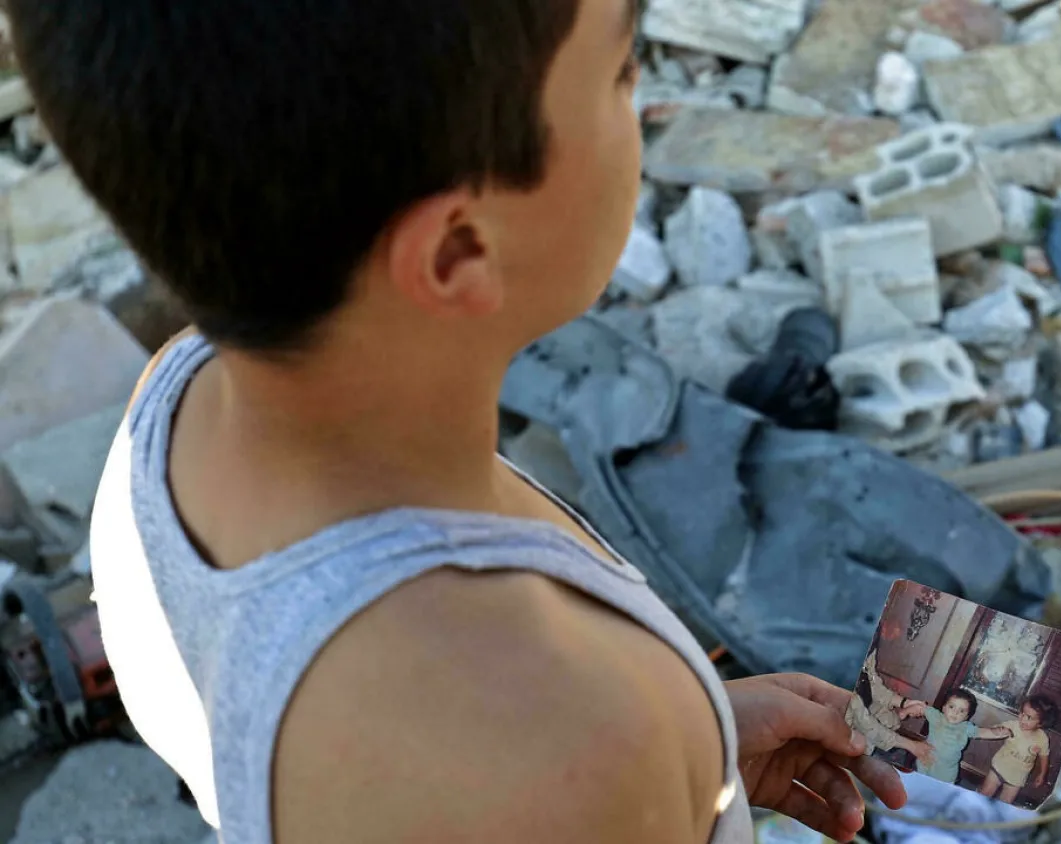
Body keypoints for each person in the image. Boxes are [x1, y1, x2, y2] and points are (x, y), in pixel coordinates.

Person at [5, 1, 908, 842]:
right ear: (461, 250)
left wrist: (686, 739)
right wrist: (624, 760)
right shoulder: (547, 755)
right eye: (622, 71)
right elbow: (511, 766)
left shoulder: (175, 394)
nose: (646, 100)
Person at [896, 690, 1012, 785]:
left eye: (961, 711)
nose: (955, 713)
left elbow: (982, 732)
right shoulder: (936, 717)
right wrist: (905, 711)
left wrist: (998, 732)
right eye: (952, 707)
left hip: (947, 771)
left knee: (940, 795)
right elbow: (920, 708)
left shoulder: (966, 727)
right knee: (917, 785)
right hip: (925, 761)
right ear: (944, 708)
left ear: (967, 716)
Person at [979, 696, 1058, 804]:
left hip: (1018, 778)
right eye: (1022, 713)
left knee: (1005, 803)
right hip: (999, 768)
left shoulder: (1042, 738)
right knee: (985, 794)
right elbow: (995, 730)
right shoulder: (1013, 725)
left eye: (1029, 717)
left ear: (1041, 723)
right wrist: (1000, 730)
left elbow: (1044, 756)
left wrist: (1042, 774)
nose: (1022, 718)